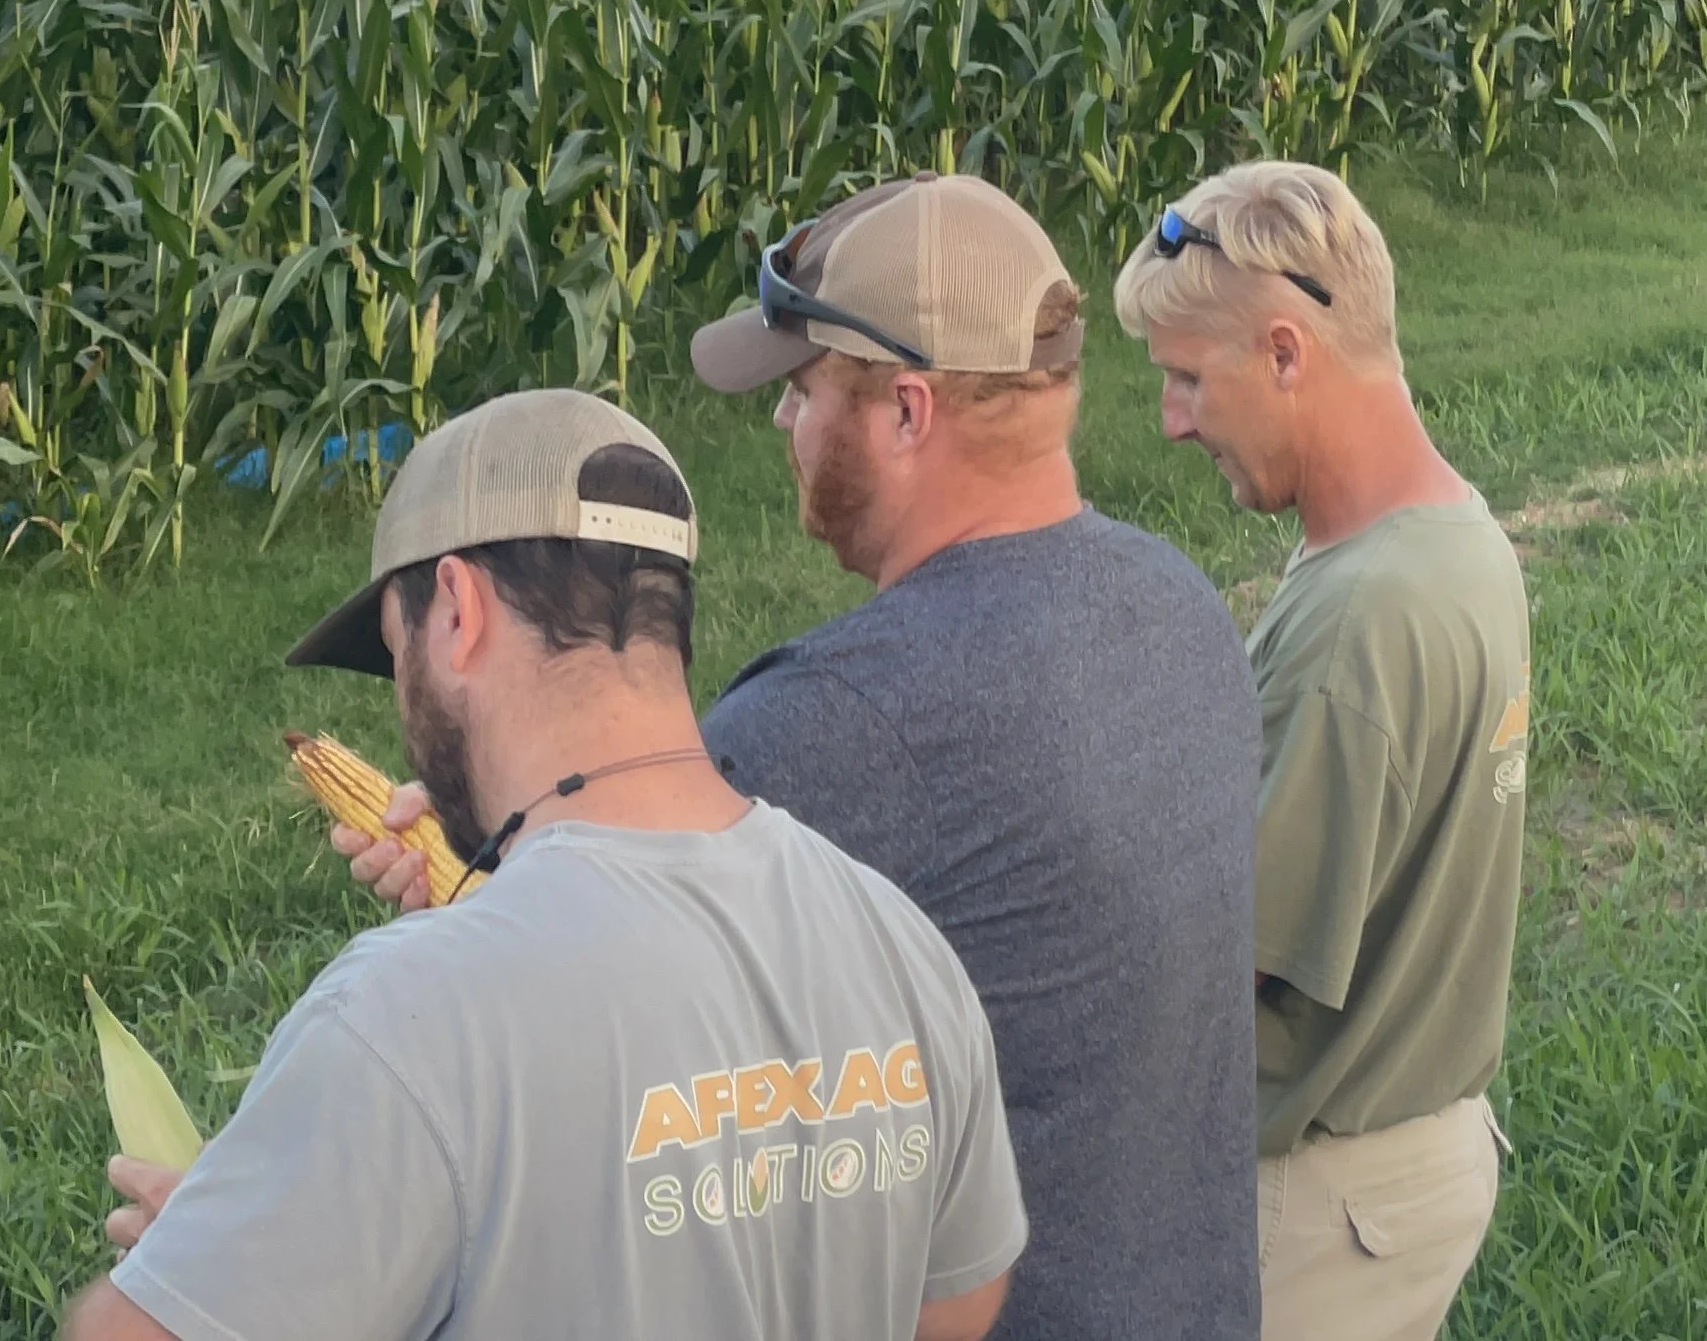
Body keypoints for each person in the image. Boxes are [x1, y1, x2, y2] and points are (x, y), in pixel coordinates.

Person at [341, 173, 1263, 1341]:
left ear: (908, 412)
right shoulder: (1181, 609)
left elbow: (590, 1082)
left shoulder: (836, 724)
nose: (783, 423)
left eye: (805, 388)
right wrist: (518, 867)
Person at [65, 389, 1025, 1341]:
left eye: (397, 657)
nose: (402, 704)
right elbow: (955, 1308)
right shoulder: (899, 944)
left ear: (457, 608)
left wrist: (275, 1252)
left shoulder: (407, 1027)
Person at [1113, 163, 1529, 1341]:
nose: (1173, 419)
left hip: (1317, 1203)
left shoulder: (1361, 620)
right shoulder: (1458, 539)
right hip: (1418, 1155)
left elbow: (1222, 968)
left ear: (1287, 353)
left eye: (1189, 377)